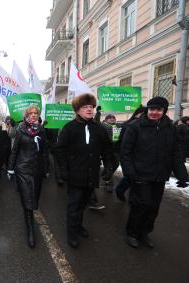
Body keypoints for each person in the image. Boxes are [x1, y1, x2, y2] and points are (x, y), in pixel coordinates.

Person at [121, 96, 189, 248]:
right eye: (152, 109)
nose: (154, 112)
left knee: (153, 206)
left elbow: (175, 154)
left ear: (164, 111)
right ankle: (132, 233)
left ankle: (144, 232)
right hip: (140, 174)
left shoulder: (170, 128)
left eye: (158, 110)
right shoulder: (135, 126)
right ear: (148, 109)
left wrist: (182, 175)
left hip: (159, 175)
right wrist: (130, 173)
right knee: (141, 205)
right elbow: (125, 152)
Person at [55, 93, 113, 249]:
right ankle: (72, 233)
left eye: (91, 107)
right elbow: (60, 150)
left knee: (83, 204)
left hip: (91, 174)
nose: (89, 110)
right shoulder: (69, 128)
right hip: (75, 174)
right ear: (77, 110)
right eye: (85, 107)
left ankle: (79, 226)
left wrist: (108, 167)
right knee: (74, 205)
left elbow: (107, 149)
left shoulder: (99, 128)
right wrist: (64, 170)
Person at [7, 105, 49, 248]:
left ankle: (29, 217)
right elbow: (15, 150)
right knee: (27, 199)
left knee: (34, 198)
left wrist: (46, 168)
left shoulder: (42, 131)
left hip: (36, 170)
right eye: (31, 113)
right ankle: (30, 231)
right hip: (22, 169)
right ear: (26, 115)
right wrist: (10, 168)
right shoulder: (20, 130)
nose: (33, 115)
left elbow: (44, 151)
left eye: (36, 113)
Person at [114, 106, 147, 202]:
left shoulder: (146, 124)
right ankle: (120, 190)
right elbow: (122, 142)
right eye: (144, 114)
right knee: (131, 176)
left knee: (138, 178)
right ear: (138, 114)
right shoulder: (128, 125)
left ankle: (134, 199)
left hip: (141, 156)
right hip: (130, 155)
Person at [101, 114, 122, 192]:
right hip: (106, 151)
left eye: (113, 118)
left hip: (116, 150)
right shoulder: (103, 127)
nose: (112, 119)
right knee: (109, 167)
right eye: (110, 118)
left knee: (116, 164)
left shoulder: (118, 126)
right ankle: (109, 184)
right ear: (106, 120)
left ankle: (105, 174)